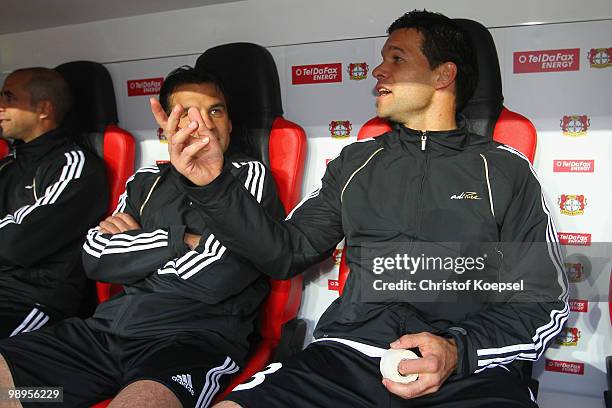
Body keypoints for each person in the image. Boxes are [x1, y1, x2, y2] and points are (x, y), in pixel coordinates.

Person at [165, 11, 568, 408]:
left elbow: (543, 300)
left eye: (397, 58)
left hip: (467, 373)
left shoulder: (505, 170)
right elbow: (285, 252)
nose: (378, 71)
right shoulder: (355, 163)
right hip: (347, 358)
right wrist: (214, 184)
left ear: (443, 76)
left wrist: (457, 350)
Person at [0, 66, 284, 408]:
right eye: (186, 114)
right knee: (14, 393)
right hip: (102, 335)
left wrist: (135, 252)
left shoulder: (249, 174)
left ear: (230, 124)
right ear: (165, 127)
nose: (205, 123)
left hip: (188, 343)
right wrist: (180, 241)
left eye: (215, 111)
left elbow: (218, 274)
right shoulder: (147, 179)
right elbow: (95, 255)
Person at [0, 67, 108, 338]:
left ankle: (36, 386)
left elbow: (15, 243)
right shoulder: (7, 165)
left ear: (43, 109)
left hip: (32, 301)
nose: (0, 106)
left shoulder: (75, 166)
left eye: (9, 98)